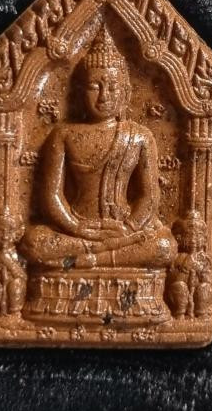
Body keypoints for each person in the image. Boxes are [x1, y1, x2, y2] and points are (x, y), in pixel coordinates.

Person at [20, 24, 176, 270]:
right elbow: (52, 196)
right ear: (80, 91)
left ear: (125, 91)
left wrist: (129, 227)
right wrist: (78, 227)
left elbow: (149, 196)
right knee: (33, 241)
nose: (104, 96)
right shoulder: (64, 135)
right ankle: (96, 251)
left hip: (122, 229)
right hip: (78, 228)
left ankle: (92, 259)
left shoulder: (139, 137)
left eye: (112, 87)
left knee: (165, 246)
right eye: (95, 86)